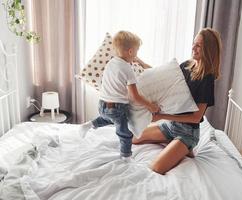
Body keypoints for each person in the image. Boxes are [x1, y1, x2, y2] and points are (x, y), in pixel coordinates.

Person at [132, 28, 222, 174]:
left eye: (199, 45)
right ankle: (176, 146)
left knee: (157, 167)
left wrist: (161, 116)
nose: (193, 47)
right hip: (171, 127)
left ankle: (185, 146)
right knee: (133, 138)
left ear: (209, 49)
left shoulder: (207, 78)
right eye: (194, 43)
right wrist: (140, 63)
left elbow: (196, 117)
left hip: (187, 133)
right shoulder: (187, 65)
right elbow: (162, 77)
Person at [79, 31, 160, 159]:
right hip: (116, 107)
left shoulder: (111, 63)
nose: (136, 55)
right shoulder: (128, 69)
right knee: (125, 133)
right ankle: (126, 157)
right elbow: (134, 96)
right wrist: (150, 106)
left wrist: (137, 61)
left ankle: (88, 125)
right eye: (136, 51)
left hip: (102, 105)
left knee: (107, 118)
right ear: (130, 52)